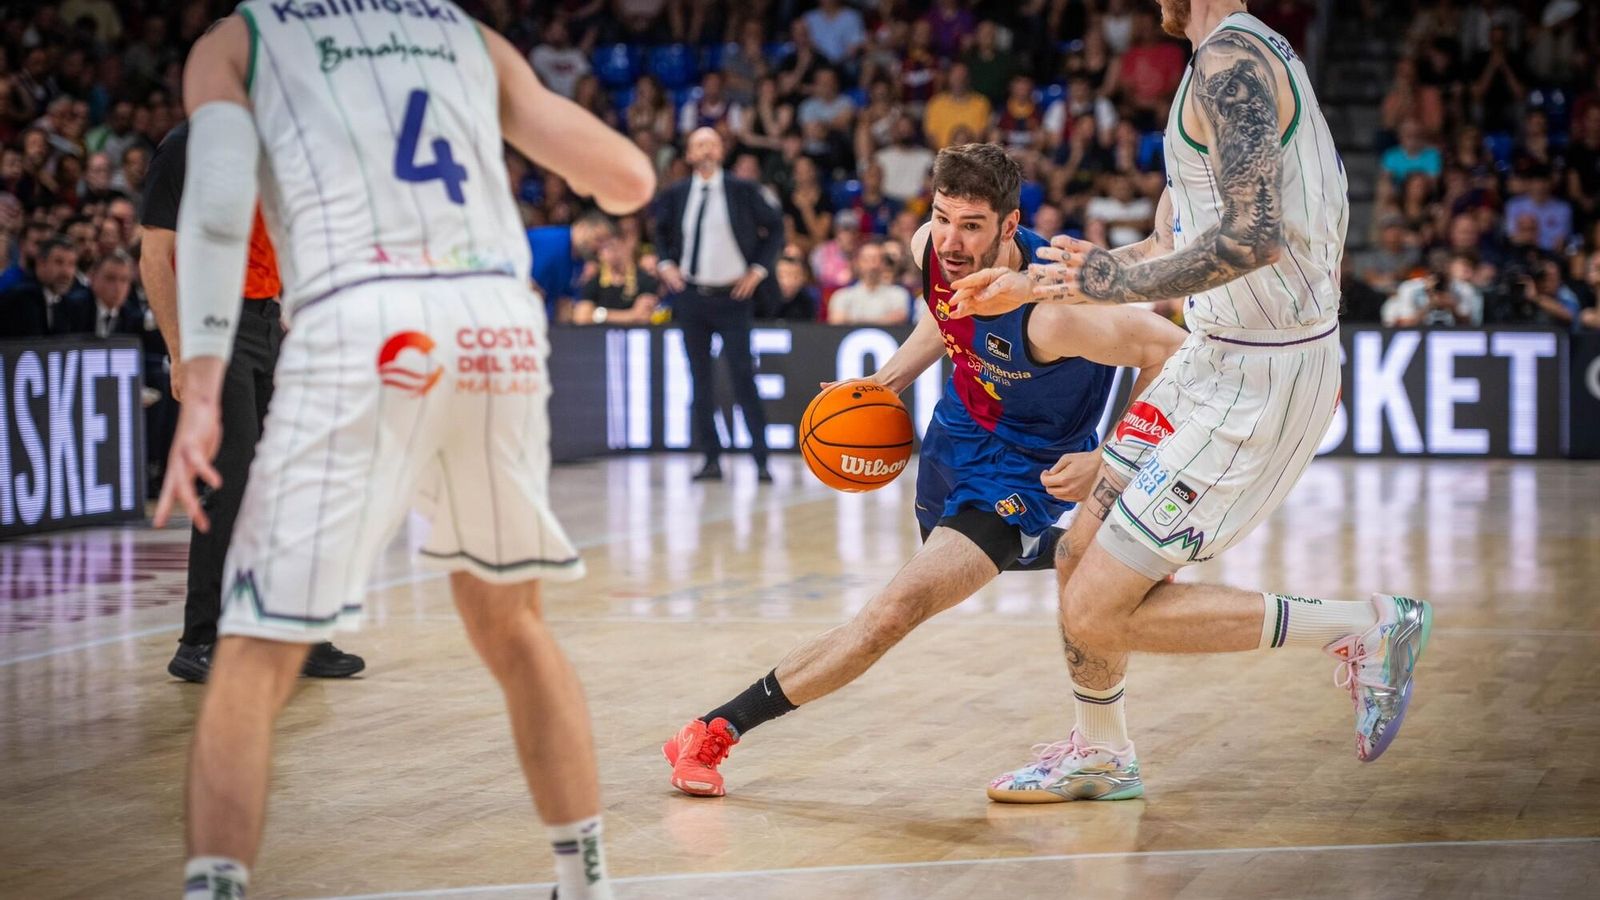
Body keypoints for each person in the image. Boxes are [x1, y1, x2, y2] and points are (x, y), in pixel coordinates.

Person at [154, 4, 654, 898]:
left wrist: (198, 380)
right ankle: (586, 881)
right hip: (496, 320)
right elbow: (625, 179)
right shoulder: (467, 35)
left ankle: (215, 887)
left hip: (364, 314)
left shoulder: (241, 39)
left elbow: (221, 206)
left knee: (257, 642)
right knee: (513, 624)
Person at [950, 0, 1431, 803]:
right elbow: (1171, 247)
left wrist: (1114, 281)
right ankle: (1102, 753)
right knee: (1075, 561)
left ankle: (1365, 623)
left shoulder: (1232, 66)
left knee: (1097, 610)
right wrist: (1034, 282)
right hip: (1211, 358)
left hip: (1261, 378)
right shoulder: (1212, 62)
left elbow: (1253, 238)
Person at [662, 143, 1186, 797]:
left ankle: (713, 731)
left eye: (971, 225)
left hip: (1022, 472)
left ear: (1009, 224)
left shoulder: (1062, 311)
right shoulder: (928, 249)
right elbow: (944, 319)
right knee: (947, 573)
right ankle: (1091, 557)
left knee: (893, 612)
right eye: (943, 217)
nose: (952, 239)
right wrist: (884, 383)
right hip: (951, 438)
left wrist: (1112, 456)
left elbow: (1174, 352)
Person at [141, 118, 365, 683]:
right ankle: (200, 639)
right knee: (229, 477)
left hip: (266, 323)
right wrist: (179, 350)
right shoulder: (186, 145)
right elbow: (154, 255)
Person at [654, 127, 782, 483]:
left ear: (722, 150)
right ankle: (711, 458)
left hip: (733, 297)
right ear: (689, 154)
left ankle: (760, 459)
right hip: (692, 296)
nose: (706, 150)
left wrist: (757, 271)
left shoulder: (743, 190)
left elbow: (775, 228)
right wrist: (666, 266)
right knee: (700, 380)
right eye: (698, 144)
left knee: (744, 377)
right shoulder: (677, 193)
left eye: (712, 143)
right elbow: (660, 232)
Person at [527, 212, 617, 323]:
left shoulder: (578, 260)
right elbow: (529, 284)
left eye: (603, 244)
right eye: (597, 239)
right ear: (582, 227)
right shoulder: (554, 243)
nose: (598, 247)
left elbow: (564, 301)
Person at [0, 234, 76, 337]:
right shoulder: (21, 297)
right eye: (58, 262)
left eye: (71, 264)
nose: (66, 273)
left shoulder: (63, 301)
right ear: (41, 264)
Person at [574, 234, 659, 325]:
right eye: (606, 248)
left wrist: (597, 314)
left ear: (626, 249)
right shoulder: (594, 282)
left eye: (615, 247)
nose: (612, 253)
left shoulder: (644, 279)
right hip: (599, 335)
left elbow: (643, 316)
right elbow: (582, 317)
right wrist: (630, 315)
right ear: (600, 255)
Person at [827, 240, 911, 325]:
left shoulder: (898, 294)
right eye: (866, 259)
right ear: (857, 263)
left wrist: (851, 319)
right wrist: (882, 320)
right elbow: (836, 319)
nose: (871, 265)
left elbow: (899, 317)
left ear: (883, 263)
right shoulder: (842, 296)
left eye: (875, 259)